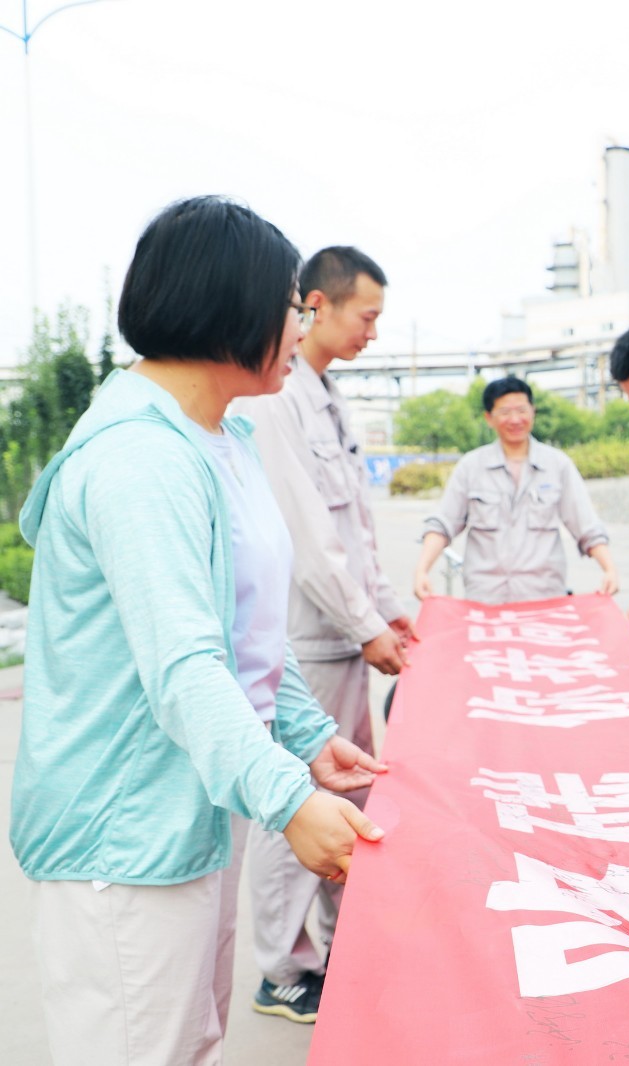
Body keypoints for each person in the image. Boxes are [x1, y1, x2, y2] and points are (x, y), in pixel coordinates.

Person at [10, 196, 385, 1065]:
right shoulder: (140, 459)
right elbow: (184, 664)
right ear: (229, 307)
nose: (303, 323)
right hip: (124, 832)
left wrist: (305, 734)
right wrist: (291, 799)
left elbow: (244, 624)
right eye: (293, 304)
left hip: (196, 811)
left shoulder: (223, 437)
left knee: (188, 1040)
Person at [233, 245, 413, 1022]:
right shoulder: (275, 400)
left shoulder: (325, 395)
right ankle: (282, 967)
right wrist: (365, 623)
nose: (373, 331)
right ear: (316, 304)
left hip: (343, 634)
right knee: (295, 805)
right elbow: (305, 539)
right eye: (366, 315)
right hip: (308, 640)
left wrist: (385, 608)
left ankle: (343, 942)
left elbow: (354, 529)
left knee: (349, 791)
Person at [414, 375, 617, 604]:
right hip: (485, 598)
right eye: (504, 412)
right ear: (489, 418)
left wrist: (609, 568)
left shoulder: (557, 465)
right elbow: (443, 523)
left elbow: (586, 525)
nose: (515, 419)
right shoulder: (471, 467)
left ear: (533, 412)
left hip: (544, 596)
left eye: (521, 410)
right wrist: (422, 570)